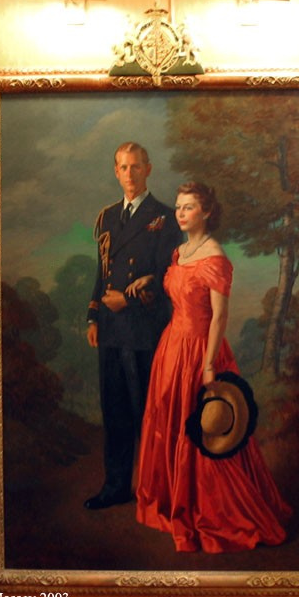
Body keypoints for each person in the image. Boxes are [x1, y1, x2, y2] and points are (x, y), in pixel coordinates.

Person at [133, 181, 292, 553]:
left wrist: (207, 366)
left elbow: (219, 317)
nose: (180, 213)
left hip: (200, 350)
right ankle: (174, 497)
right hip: (171, 348)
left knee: (204, 427)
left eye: (188, 207)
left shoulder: (216, 257)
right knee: (168, 421)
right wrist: (151, 281)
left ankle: (209, 507)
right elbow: (179, 290)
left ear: (206, 212)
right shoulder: (181, 251)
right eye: (178, 207)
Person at [84, 142, 182, 510]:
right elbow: (102, 271)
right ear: (116, 171)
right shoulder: (107, 216)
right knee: (115, 411)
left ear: (148, 169)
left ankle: (160, 491)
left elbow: (168, 275)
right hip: (111, 328)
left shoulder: (165, 217)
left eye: (136, 167)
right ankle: (116, 486)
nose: (129, 174)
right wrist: (94, 315)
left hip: (145, 328)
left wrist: (130, 300)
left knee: (149, 414)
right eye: (123, 167)